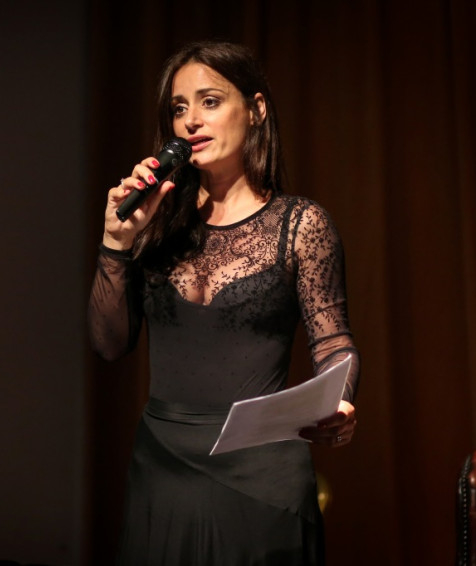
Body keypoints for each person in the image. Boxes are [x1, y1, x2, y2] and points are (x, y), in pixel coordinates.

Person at [88, 40, 360, 565]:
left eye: (209, 101)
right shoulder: (155, 224)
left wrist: (339, 401)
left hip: (261, 473)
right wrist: (115, 244)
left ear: (256, 110)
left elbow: (335, 344)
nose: (191, 120)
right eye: (179, 108)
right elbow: (108, 345)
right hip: (162, 468)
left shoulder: (300, 225)